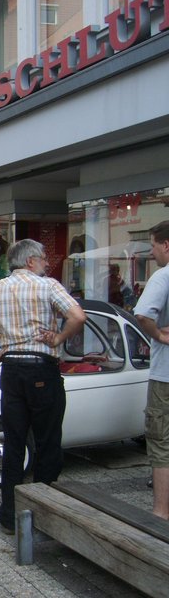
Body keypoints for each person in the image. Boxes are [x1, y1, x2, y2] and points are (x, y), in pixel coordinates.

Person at [0, 239, 86, 534]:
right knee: (47, 442)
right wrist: (59, 338)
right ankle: (44, 511)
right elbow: (78, 316)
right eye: (42, 259)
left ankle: (9, 514)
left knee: (14, 442)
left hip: (11, 370)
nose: (47, 263)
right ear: (30, 262)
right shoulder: (47, 286)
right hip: (42, 368)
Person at [134, 220, 169, 520]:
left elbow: (143, 314)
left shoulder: (163, 276)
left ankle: (161, 513)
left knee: (161, 443)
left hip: (166, 376)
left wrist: (158, 335)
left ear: (166, 245)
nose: (152, 252)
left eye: (153, 246)